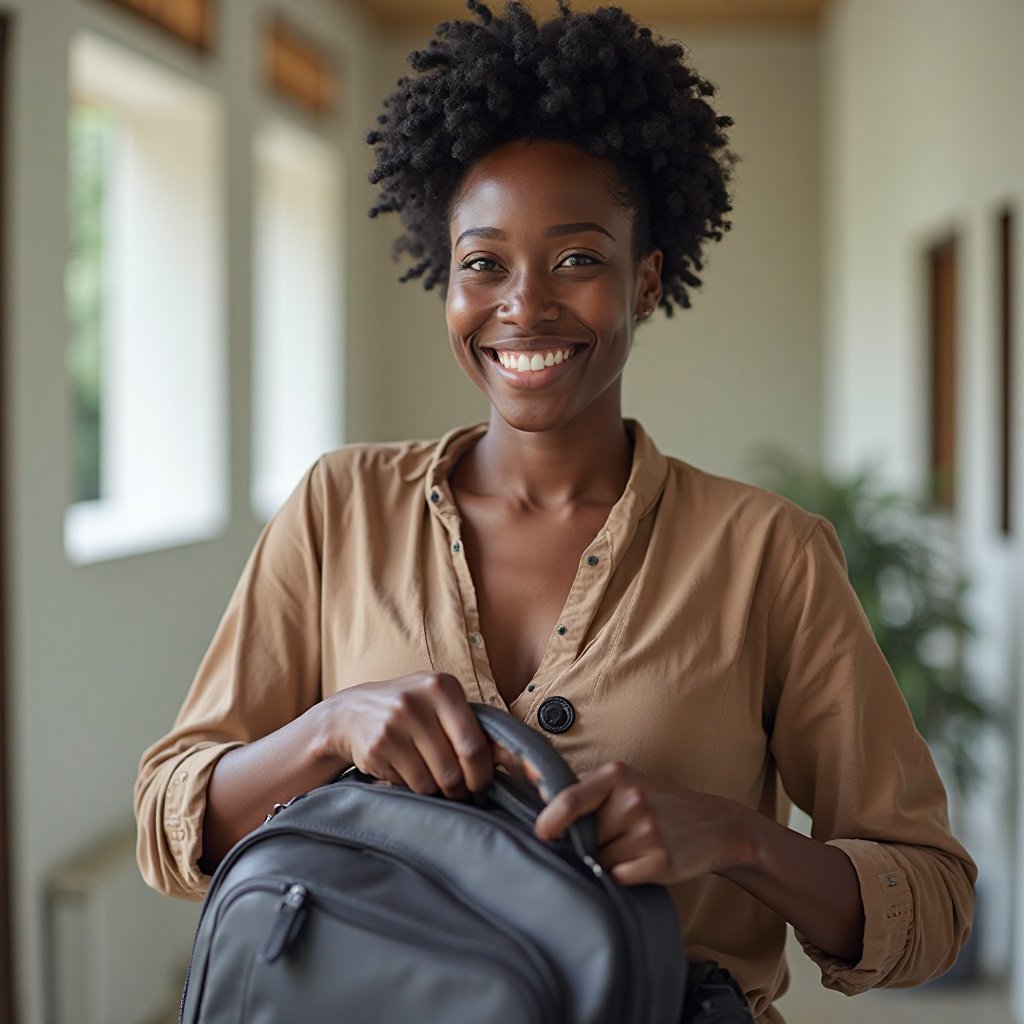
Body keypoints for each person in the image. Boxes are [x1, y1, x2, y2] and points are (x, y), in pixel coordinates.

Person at [134, 3, 976, 1020]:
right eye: (483, 262)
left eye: (577, 258)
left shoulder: (770, 555)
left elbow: (930, 904)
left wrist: (738, 838)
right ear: (444, 282)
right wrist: (329, 726)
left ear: (646, 280)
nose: (523, 305)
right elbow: (170, 823)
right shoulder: (336, 507)